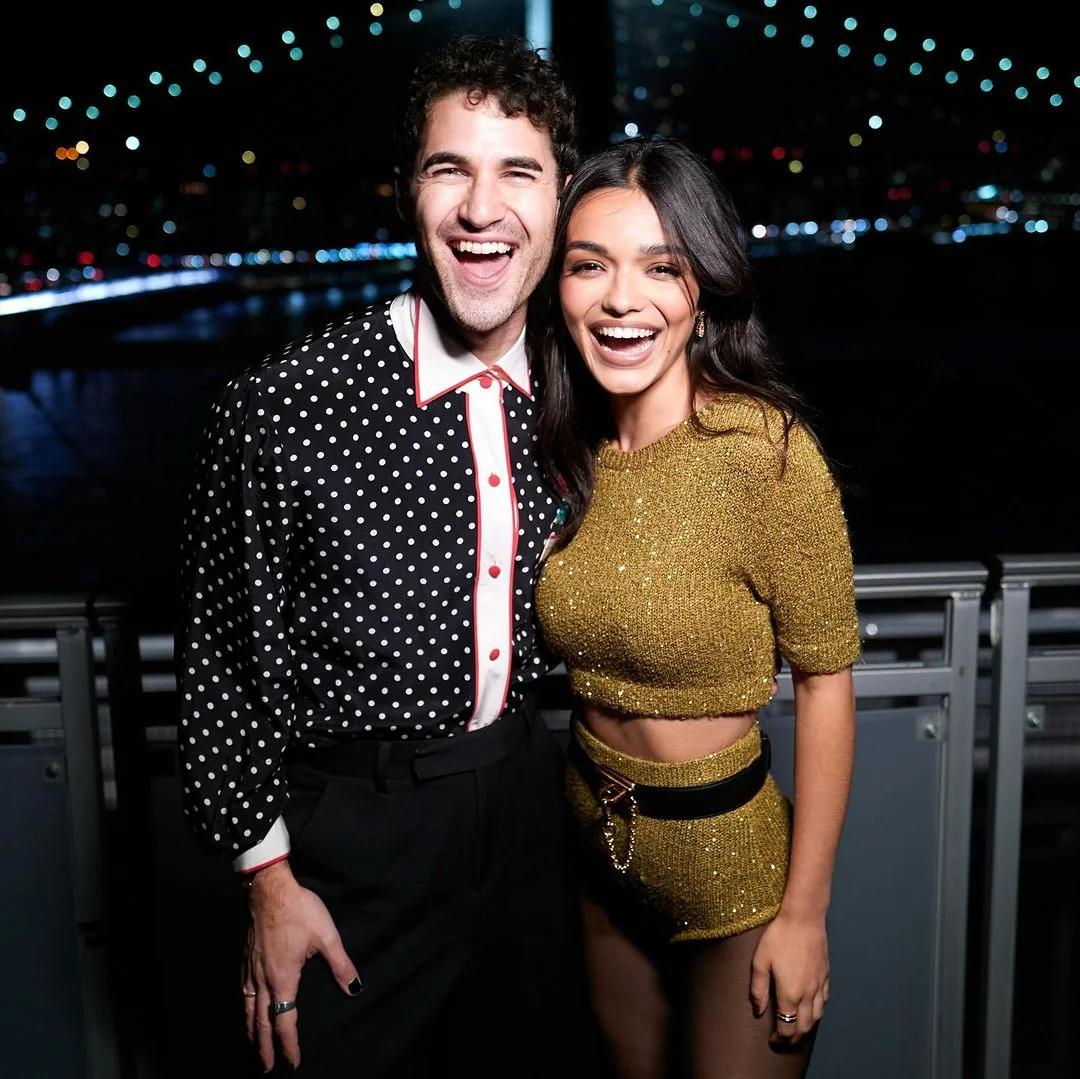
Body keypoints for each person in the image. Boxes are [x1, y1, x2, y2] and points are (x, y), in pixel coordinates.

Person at [177, 36, 580, 1077]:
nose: (482, 208)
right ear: (408, 189)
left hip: (535, 817)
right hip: (351, 848)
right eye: (450, 169)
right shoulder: (282, 405)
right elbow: (221, 666)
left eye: (518, 172)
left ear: (560, 198)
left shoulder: (587, 390)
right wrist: (267, 882)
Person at [534, 138, 861, 1078]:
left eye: (659, 267)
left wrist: (805, 914)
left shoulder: (765, 454)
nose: (620, 299)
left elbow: (826, 686)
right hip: (597, 852)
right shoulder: (567, 448)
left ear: (704, 289)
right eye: (588, 265)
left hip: (735, 879)